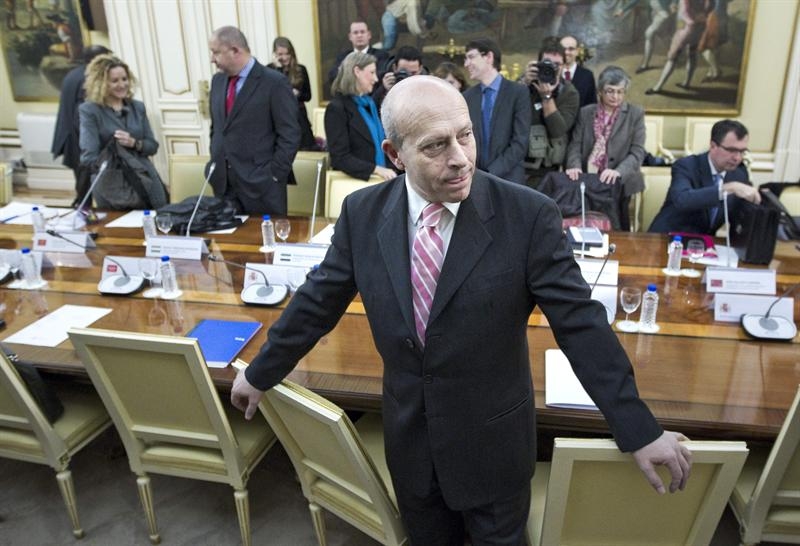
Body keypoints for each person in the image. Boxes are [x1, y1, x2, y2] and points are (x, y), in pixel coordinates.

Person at [230, 75, 691, 545]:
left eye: (465, 135)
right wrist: (263, 370)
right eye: (435, 146)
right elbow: (318, 301)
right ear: (395, 154)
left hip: (493, 449)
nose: (460, 158)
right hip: (411, 446)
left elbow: (581, 326)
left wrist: (637, 427)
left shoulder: (528, 215)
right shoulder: (362, 213)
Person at [207, 26, 300, 216]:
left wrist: (274, 174)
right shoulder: (217, 81)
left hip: (262, 187)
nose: (212, 59)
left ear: (235, 50)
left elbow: (290, 134)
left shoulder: (274, 82)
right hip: (224, 185)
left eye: (216, 52)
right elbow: (217, 128)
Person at [79, 54, 167, 209]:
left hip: (145, 177)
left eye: (124, 79)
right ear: (101, 83)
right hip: (111, 183)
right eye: (114, 81)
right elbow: (89, 157)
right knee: (119, 224)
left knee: (158, 217)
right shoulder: (90, 110)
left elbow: (152, 146)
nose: (122, 84)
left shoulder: (137, 107)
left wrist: (134, 143)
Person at [565, 66, 646, 230]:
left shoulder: (635, 114)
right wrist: (574, 166)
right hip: (589, 178)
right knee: (584, 220)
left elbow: (637, 152)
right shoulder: (586, 113)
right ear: (600, 91)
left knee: (618, 225)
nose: (615, 96)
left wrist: (618, 172)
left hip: (622, 181)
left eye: (620, 92)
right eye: (610, 91)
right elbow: (575, 145)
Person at [649, 119, 760, 234]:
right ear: (713, 146)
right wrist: (726, 189)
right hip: (669, 236)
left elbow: (739, 217)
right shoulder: (687, 165)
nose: (737, 158)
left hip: (704, 241)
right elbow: (682, 200)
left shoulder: (739, 174)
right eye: (732, 150)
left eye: (742, 151)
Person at [463, 37, 530, 184]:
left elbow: (520, 142)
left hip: (510, 180)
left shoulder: (518, 93)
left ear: (489, 57)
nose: (466, 64)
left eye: (471, 57)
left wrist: (492, 172)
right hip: (475, 180)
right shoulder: (467, 96)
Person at [51, 44, 111, 207]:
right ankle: (83, 214)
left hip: (70, 136)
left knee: (82, 184)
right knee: (85, 188)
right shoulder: (89, 78)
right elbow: (82, 114)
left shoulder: (73, 74)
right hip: (81, 140)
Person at [325, 52, 396, 181]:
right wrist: (375, 169)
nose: (376, 79)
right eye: (372, 73)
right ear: (357, 71)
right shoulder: (336, 109)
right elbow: (340, 158)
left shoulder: (370, 104)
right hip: (358, 182)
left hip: (382, 180)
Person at [520, 37, 579, 189]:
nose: (551, 68)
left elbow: (557, 130)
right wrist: (523, 84)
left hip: (547, 169)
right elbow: (504, 114)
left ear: (564, 66)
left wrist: (547, 97)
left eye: (557, 65)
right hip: (518, 164)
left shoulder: (569, 92)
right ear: (537, 64)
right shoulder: (523, 85)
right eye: (547, 63)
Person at [645, 0, 713, 95]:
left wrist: (690, 22)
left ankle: (658, 87)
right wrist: (702, 18)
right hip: (699, 27)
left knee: (672, 58)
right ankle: (687, 83)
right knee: (692, 54)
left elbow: (685, 13)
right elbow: (709, 7)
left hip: (685, 28)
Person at [267, 36, 316, 151]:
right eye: (280, 54)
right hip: (278, 120)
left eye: (287, 54)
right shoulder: (269, 70)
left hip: (299, 118)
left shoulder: (301, 69)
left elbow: (308, 96)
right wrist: (278, 69)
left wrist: (297, 94)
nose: (284, 58)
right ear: (274, 54)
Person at [614, 0, 677, 74]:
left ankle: (645, 65)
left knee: (650, 33)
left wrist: (674, 3)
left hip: (664, 14)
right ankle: (673, 53)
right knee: (659, 36)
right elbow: (635, 1)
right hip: (655, 15)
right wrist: (622, 10)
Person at [327, 21, 389, 86]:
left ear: (369, 35)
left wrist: (349, 75)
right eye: (355, 33)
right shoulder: (343, 57)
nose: (359, 35)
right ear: (350, 37)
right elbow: (333, 75)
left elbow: (381, 75)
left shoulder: (381, 55)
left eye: (362, 32)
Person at [372, 45, 426, 109]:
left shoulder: (428, 84)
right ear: (395, 68)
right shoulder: (378, 79)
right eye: (404, 72)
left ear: (420, 69)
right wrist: (384, 90)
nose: (408, 77)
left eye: (413, 73)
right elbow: (369, 109)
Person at [559, 34, 596, 108]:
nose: (566, 52)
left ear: (577, 51)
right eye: (563, 49)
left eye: (571, 49)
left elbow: (592, 105)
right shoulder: (552, 73)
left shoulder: (587, 76)